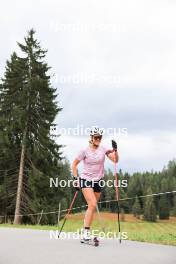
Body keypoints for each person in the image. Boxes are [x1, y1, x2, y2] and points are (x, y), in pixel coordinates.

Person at [72, 126, 119, 241]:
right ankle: (86, 232)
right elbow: (74, 165)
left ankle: (86, 230)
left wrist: (116, 150)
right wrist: (75, 179)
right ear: (91, 138)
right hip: (86, 180)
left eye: (100, 137)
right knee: (92, 204)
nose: (98, 139)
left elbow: (115, 160)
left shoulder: (103, 148)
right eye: (96, 137)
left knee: (91, 207)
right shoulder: (84, 150)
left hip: (98, 181)